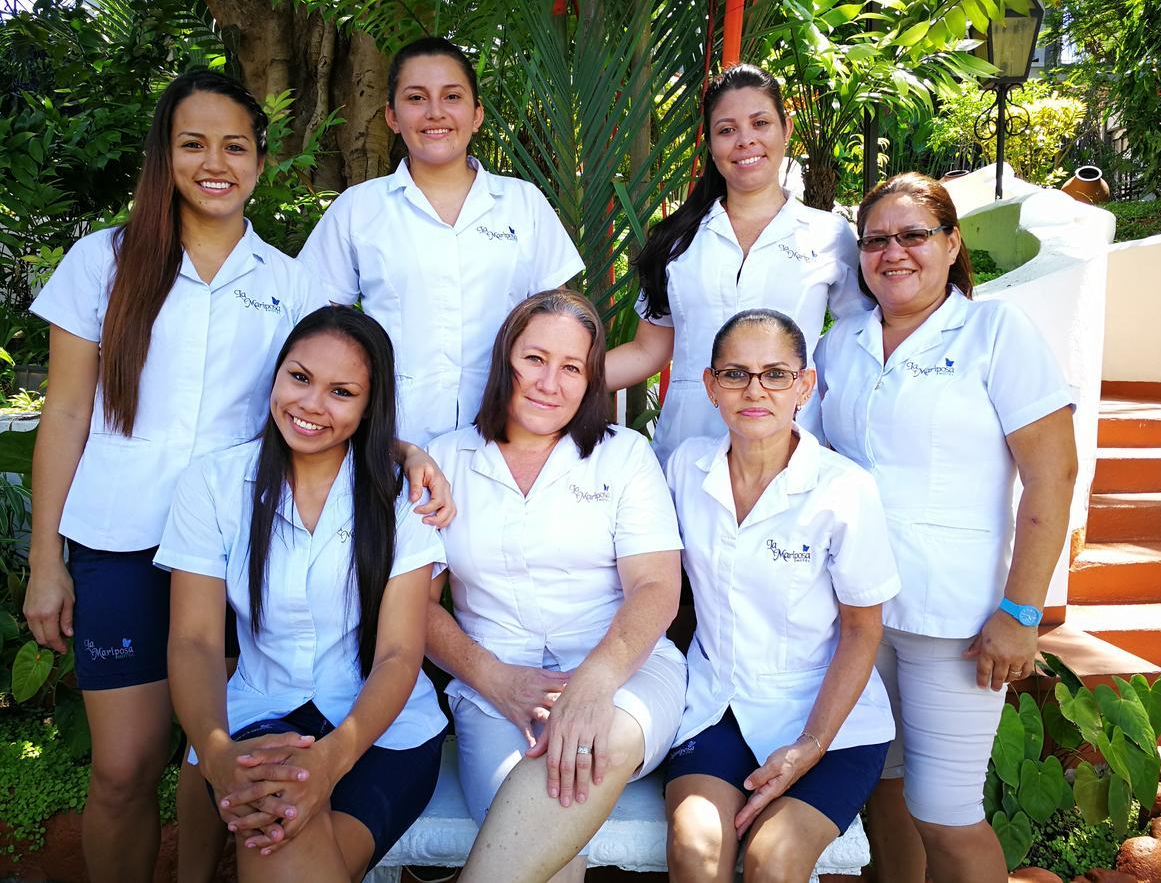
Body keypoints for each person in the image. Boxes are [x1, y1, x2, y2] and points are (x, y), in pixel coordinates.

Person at [21, 70, 448, 883]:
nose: (213, 163)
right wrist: (47, 559)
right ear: (165, 156)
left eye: (235, 147)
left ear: (259, 162)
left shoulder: (291, 283)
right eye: (192, 144)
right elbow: (67, 414)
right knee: (122, 769)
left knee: (213, 747)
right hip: (121, 539)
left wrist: (404, 452)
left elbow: (328, 395)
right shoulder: (101, 262)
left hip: (239, 540)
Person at [816, 172, 1078, 883]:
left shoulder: (996, 331)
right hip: (859, 612)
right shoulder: (842, 344)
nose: (892, 253)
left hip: (955, 622)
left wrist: (1021, 610)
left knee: (947, 812)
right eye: (875, 240)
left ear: (951, 242)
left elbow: (1051, 476)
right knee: (888, 791)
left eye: (913, 235)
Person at [158, 306, 446, 882]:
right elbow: (193, 641)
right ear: (276, 375)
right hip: (260, 712)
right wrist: (216, 755)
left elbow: (397, 655)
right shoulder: (213, 486)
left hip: (383, 731)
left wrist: (330, 763)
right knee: (278, 835)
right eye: (299, 377)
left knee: (286, 846)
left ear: (370, 406)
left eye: (341, 391)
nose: (312, 405)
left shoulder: (402, 498)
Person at [424, 290, 687, 883]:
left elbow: (655, 587)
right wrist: (498, 679)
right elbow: (415, 605)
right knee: (543, 848)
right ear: (504, 361)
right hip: (495, 691)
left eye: (572, 368)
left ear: (591, 379)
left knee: (583, 761)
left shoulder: (624, 457)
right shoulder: (448, 459)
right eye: (535, 359)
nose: (550, 382)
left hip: (627, 674)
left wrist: (595, 684)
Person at [662, 309, 898, 882]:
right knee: (696, 849)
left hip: (827, 719)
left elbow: (863, 630)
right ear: (711, 384)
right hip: (717, 704)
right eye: (736, 374)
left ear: (805, 385)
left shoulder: (844, 489)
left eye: (776, 374)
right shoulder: (685, 468)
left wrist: (810, 745)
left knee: (775, 860)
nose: (755, 390)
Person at [299, 36, 585, 447]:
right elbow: (317, 327)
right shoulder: (359, 209)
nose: (435, 112)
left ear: (476, 115)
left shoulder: (523, 204)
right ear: (392, 116)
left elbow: (559, 327)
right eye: (416, 98)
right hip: (391, 439)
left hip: (507, 437)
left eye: (452, 96)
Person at [605, 64, 871, 462]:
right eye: (727, 130)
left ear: (787, 128)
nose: (745, 141)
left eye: (760, 123)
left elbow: (857, 341)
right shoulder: (677, 239)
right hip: (685, 453)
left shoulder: (829, 235)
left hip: (789, 455)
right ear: (710, 144)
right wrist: (557, 380)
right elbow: (647, 351)